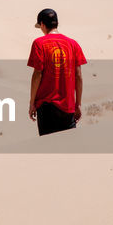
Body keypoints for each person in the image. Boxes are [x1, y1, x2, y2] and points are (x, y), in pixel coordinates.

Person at [27, 8, 86, 136]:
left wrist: (32, 103)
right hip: (68, 106)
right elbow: (78, 76)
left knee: (48, 148)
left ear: (42, 24)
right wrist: (78, 104)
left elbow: (37, 74)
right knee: (68, 148)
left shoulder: (39, 43)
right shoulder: (73, 44)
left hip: (46, 105)